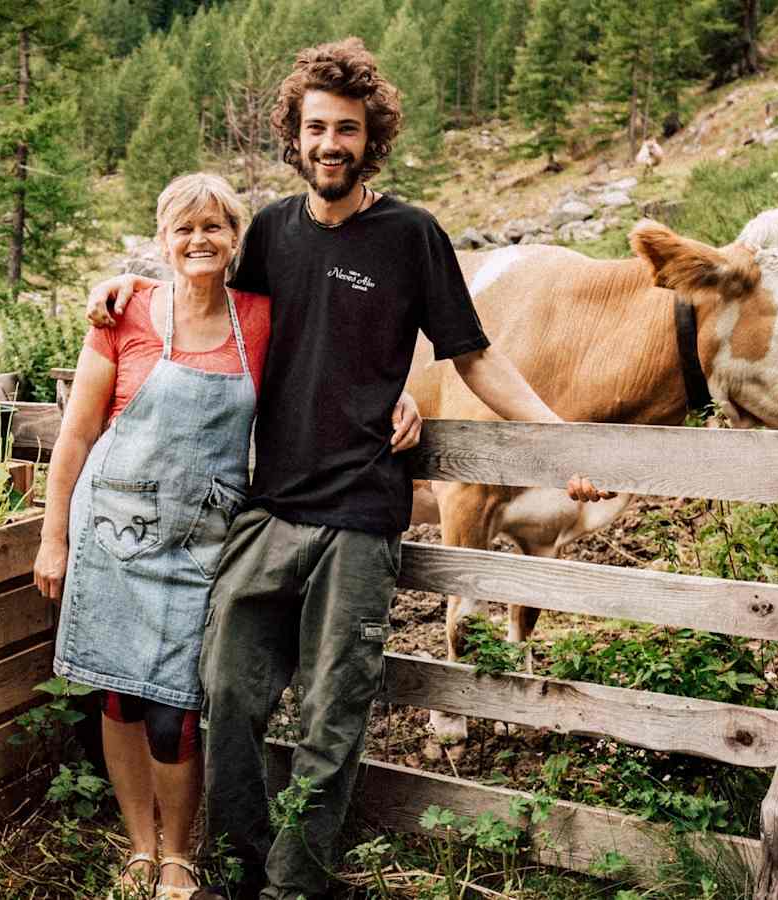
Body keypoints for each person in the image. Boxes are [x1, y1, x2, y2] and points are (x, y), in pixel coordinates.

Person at [85, 40, 610, 900]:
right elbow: (199, 294)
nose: (331, 142)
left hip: (362, 521)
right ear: (294, 135)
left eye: (349, 130)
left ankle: (294, 884)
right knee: (227, 696)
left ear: (372, 139)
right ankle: (252, 862)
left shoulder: (411, 236)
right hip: (269, 510)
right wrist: (125, 286)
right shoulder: (270, 239)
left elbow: (474, 358)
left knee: (333, 721)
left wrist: (565, 441)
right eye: (316, 127)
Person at [35, 172, 424, 900]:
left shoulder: (260, 317)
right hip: (114, 533)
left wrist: (393, 394)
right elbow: (78, 431)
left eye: (215, 226)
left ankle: (179, 856)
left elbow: (330, 369)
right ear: (161, 241)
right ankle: (139, 849)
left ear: (236, 238)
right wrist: (53, 537)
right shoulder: (123, 316)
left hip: (202, 542)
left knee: (177, 702)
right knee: (118, 696)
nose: (199, 240)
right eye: (184, 228)